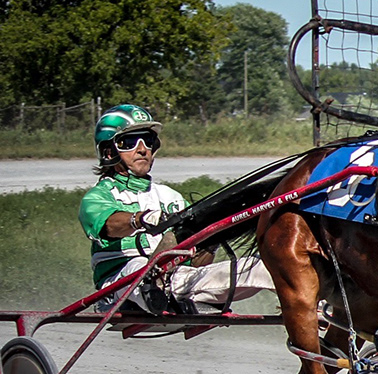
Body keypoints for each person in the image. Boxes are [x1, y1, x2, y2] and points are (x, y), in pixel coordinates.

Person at [78, 105, 275, 311]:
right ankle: (159, 294)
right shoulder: (97, 197)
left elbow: (196, 263)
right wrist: (141, 219)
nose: (143, 149)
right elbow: (110, 225)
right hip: (119, 281)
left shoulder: (170, 196)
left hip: (176, 279)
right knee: (138, 268)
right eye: (129, 142)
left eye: (149, 140)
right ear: (109, 151)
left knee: (262, 267)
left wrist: (212, 239)